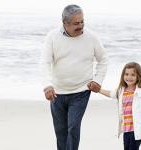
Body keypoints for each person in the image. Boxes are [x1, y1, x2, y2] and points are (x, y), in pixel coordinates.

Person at [40, 4, 108, 150]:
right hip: (57, 93)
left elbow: (103, 59)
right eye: (76, 23)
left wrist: (97, 80)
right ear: (65, 23)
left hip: (81, 91)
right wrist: (47, 86)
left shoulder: (91, 37)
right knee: (61, 132)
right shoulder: (52, 37)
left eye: (82, 21)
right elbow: (44, 63)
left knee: (73, 127)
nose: (81, 26)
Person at [99, 62, 141, 150]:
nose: (129, 77)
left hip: (136, 130)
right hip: (126, 129)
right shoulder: (121, 90)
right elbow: (111, 94)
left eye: (132, 75)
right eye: (126, 74)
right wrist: (98, 90)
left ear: (138, 76)